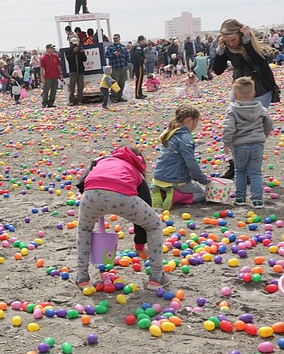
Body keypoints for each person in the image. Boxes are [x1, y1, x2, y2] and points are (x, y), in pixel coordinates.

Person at [75, 146, 168, 289]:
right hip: (122, 196)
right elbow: (146, 208)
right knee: (154, 224)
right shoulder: (135, 171)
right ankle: (156, 277)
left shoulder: (101, 160)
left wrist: (97, 205)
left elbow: (82, 182)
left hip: (91, 195)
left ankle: (82, 278)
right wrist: (139, 245)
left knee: (84, 229)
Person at [223, 77, 273, 208]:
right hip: (257, 144)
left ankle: (240, 198)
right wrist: (263, 137)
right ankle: (257, 200)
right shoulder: (261, 109)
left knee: (240, 171)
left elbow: (228, 127)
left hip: (239, 145)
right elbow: (268, 124)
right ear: (254, 94)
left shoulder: (232, 110)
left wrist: (227, 142)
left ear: (234, 95)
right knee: (255, 172)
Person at [151, 104, 211, 210]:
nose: (196, 126)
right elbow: (191, 163)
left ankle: (161, 192)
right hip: (174, 180)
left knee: (186, 183)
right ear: (189, 120)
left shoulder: (170, 132)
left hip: (158, 178)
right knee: (202, 194)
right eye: (196, 122)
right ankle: (178, 197)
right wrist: (204, 180)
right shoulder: (185, 137)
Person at [213, 20, 277, 109]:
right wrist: (220, 51)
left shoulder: (252, 43)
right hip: (239, 90)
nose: (231, 43)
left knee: (257, 121)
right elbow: (218, 71)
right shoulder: (226, 48)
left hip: (260, 88)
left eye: (233, 39)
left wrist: (247, 43)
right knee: (234, 119)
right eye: (227, 41)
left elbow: (259, 62)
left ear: (240, 34)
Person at [105, 34, 129, 102]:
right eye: (114, 38)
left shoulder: (123, 47)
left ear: (119, 38)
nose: (115, 39)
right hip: (115, 68)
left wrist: (126, 65)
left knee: (122, 83)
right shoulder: (110, 47)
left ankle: (119, 96)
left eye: (116, 38)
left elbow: (127, 56)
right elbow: (106, 55)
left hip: (123, 67)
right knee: (114, 83)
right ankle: (114, 98)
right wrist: (113, 54)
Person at [65, 38, 87, 106]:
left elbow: (84, 59)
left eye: (76, 44)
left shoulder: (79, 51)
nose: (75, 46)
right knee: (72, 87)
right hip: (73, 72)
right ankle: (71, 100)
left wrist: (82, 52)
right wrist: (74, 52)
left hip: (80, 71)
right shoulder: (68, 51)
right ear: (71, 44)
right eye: (73, 44)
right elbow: (69, 59)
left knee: (80, 87)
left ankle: (79, 100)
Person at [40, 44, 63, 108]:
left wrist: (60, 74)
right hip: (47, 77)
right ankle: (44, 103)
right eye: (51, 48)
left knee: (54, 90)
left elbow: (58, 65)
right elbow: (42, 68)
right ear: (47, 49)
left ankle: (51, 102)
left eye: (53, 48)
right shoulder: (43, 58)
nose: (53, 49)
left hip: (55, 76)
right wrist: (42, 77)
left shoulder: (55, 56)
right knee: (46, 90)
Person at [131, 36, 148, 100]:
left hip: (138, 64)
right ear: (142, 40)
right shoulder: (138, 46)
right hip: (138, 64)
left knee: (140, 79)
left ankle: (140, 93)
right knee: (139, 79)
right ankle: (138, 94)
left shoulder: (137, 45)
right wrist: (143, 60)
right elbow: (137, 55)